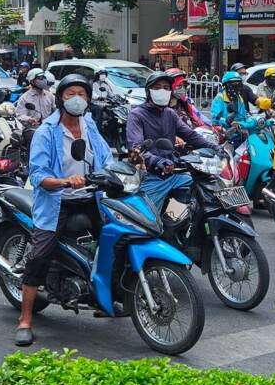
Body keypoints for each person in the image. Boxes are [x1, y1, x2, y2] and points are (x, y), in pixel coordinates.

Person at [18, 74, 113, 347]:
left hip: (90, 197)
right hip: (56, 201)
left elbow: (105, 156)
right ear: (60, 98)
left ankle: (104, 297)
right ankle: (25, 319)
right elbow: (38, 174)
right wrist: (64, 181)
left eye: (82, 94)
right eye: (71, 94)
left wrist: (122, 168)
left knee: (114, 239)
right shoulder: (46, 132)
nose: (77, 99)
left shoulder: (89, 124)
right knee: (39, 255)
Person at [126, 71, 215, 209]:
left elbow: (190, 135)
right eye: (157, 88)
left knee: (201, 196)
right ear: (148, 91)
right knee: (149, 219)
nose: (162, 91)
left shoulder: (170, 113)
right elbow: (136, 147)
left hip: (174, 173)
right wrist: (158, 161)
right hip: (150, 176)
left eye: (166, 88)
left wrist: (215, 147)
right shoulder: (136, 115)